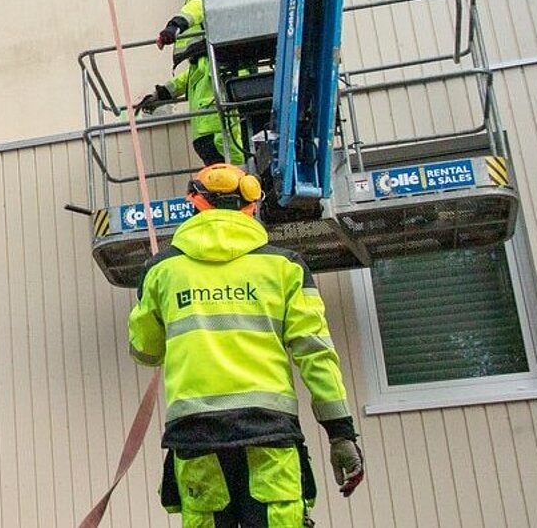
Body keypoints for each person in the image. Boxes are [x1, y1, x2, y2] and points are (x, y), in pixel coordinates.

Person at [129, 163, 364, 528]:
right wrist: (340, 433)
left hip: (196, 436)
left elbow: (145, 352)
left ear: (194, 204)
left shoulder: (161, 270)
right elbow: (317, 355)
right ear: (251, 207)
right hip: (269, 433)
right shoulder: (285, 267)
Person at [138, 0, 248, 166]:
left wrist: (176, 25)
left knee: (234, 181)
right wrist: (164, 92)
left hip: (218, 129)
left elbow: (201, 2)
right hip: (211, 130)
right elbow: (196, 75)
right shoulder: (207, 61)